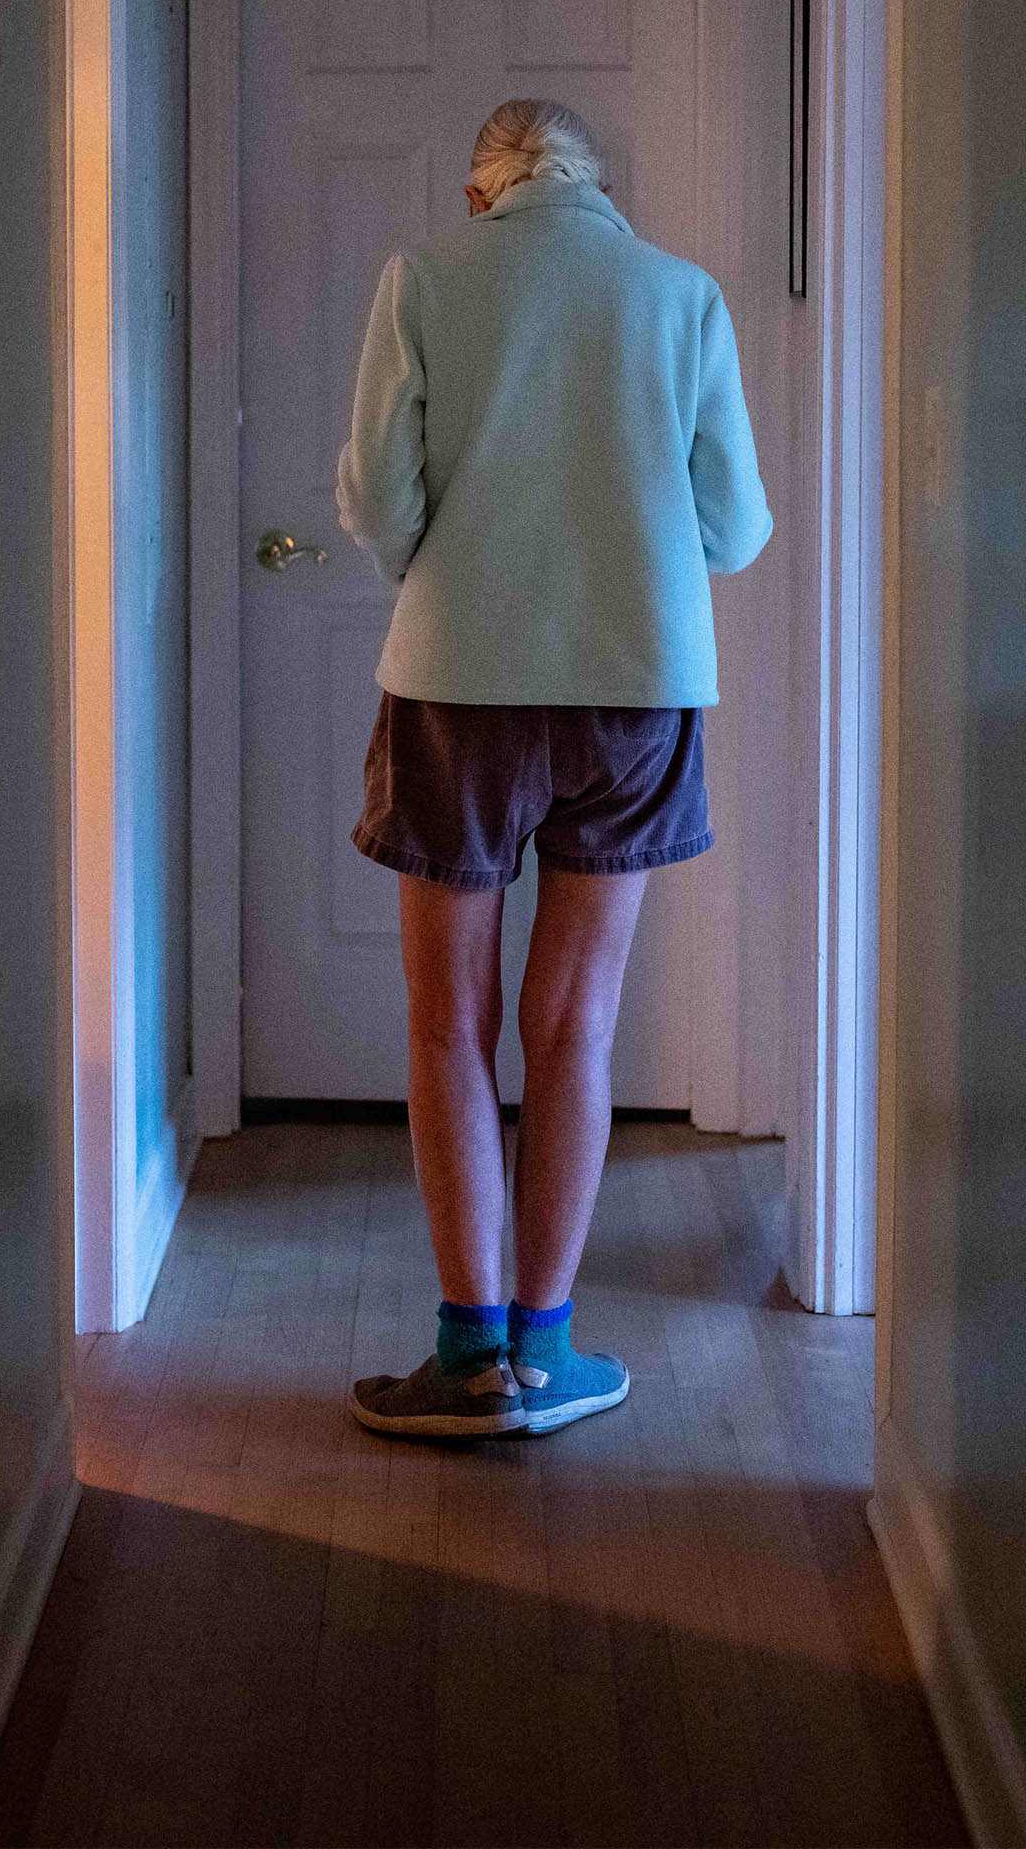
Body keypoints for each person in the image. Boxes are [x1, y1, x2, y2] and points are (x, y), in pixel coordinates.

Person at [334, 97, 771, 1439]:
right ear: (597, 185)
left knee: (444, 1019)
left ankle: (468, 1363)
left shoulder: (424, 277)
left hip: (457, 686)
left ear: (481, 194)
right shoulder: (681, 293)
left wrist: (455, 568)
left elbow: (378, 503)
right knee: (575, 1019)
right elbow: (736, 526)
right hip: (636, 694)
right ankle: (550, 1355)